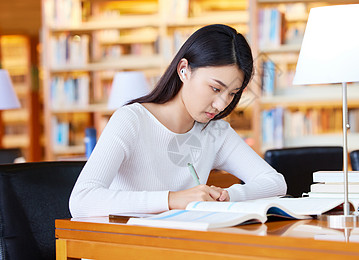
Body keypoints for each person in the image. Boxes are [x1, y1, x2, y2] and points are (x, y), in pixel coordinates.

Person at [69, 24, 287, 217]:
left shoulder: (214, 132)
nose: (222, 105)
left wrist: (226, 195)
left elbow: (275, 183)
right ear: (184, 70)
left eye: (232, 93)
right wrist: (173, 199)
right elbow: (81, 200)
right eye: (215, 88)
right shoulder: (132, 120)